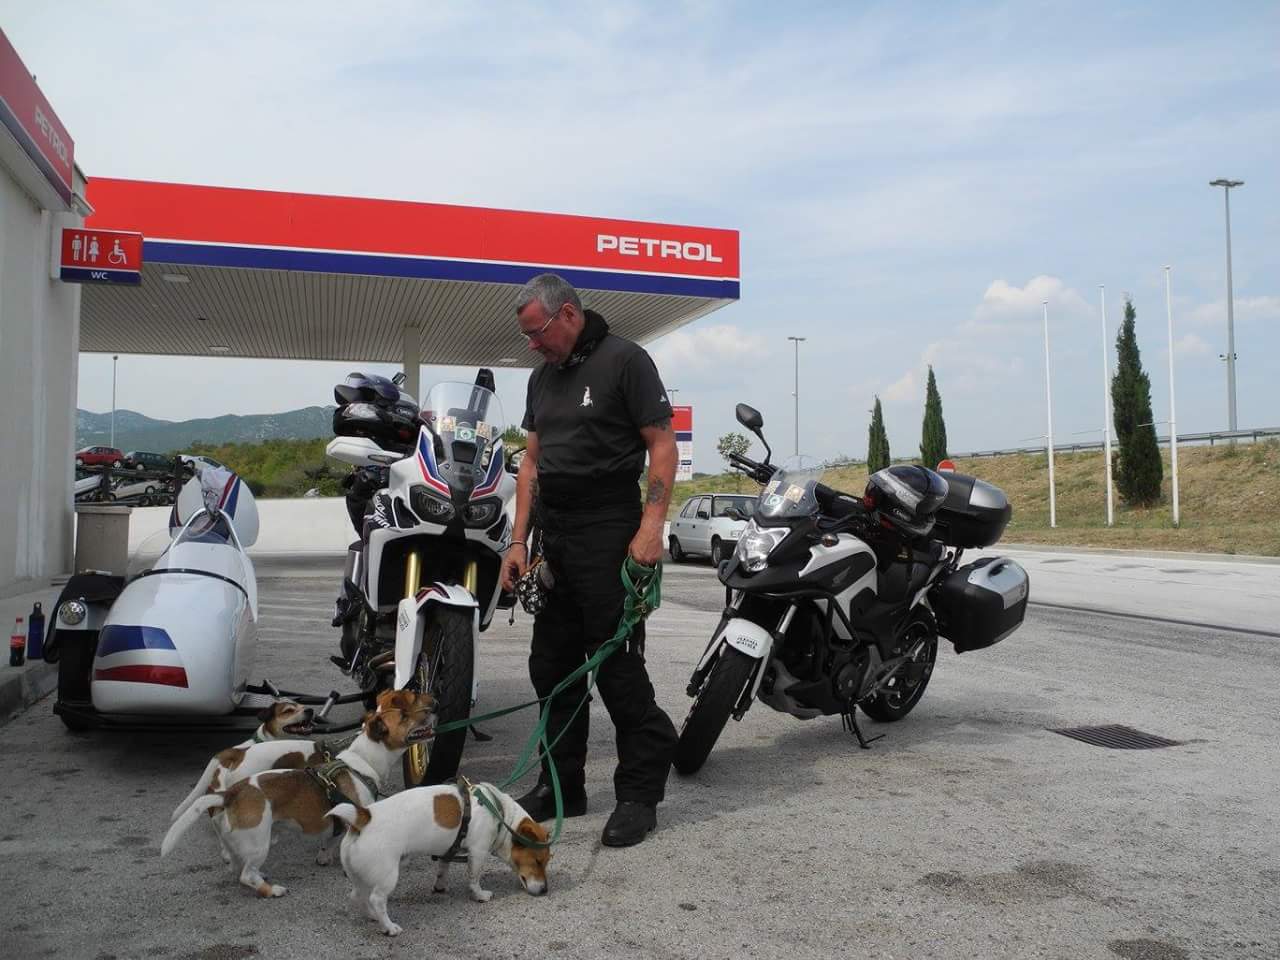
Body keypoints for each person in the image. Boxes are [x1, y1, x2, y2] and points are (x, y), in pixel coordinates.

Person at [501, 273, 679, 847]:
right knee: (552, 668)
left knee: (616, 668)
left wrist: (651, 528)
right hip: (554, 535)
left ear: (569, 314)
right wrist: (518, 542)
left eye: (538, 332)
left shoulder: (626, 361)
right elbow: (531, 462)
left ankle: (638, 795)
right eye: (527, 336)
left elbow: (662, 444)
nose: (533, 344)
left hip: (610, 528)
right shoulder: (541, 378)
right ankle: (561, 786)